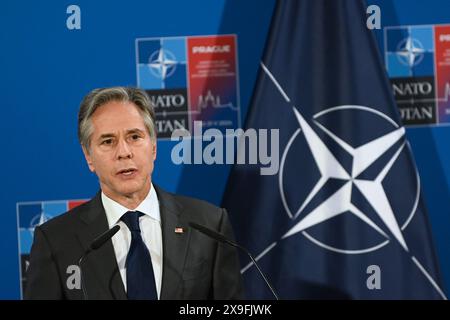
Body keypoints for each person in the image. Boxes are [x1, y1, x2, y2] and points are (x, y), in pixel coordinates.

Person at [25, 87, 243, 300]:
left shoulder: (209, 225)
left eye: (135, 137)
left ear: (154, 145)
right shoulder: (57, 241)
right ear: (88, 156)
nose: (124, 152)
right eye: (108, 141)